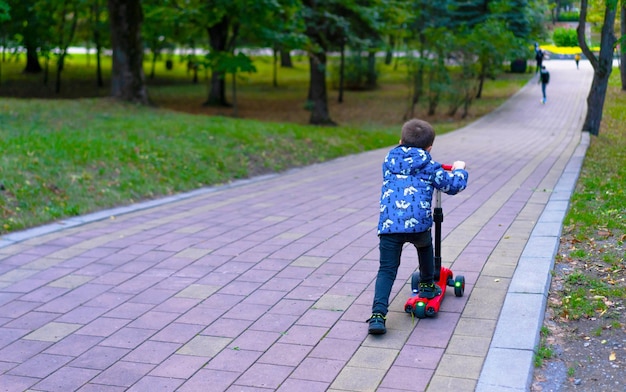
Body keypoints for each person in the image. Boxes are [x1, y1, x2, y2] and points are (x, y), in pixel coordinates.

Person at [367, 119, 469, 335]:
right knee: (424, 247)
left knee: (386, 269)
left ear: (400, 140)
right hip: (417, 224)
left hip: (389, 225)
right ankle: (426, 284)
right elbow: (453, 186)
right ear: (429, 148)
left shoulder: (388, 161)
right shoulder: (429, 166)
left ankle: (377, 316)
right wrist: (459, 169)